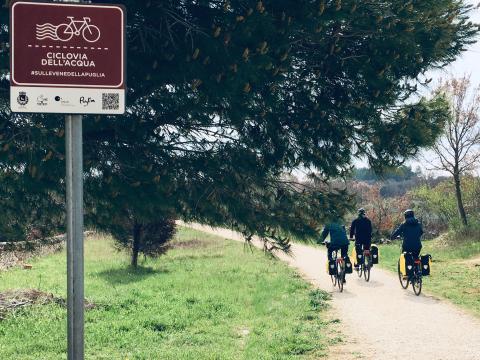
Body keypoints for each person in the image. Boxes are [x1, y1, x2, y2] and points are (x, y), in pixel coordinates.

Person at [319, 214, 350, 282]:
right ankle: (343, 277)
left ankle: (332, 264)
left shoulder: (329, 224)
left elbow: (324, 234)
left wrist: (319, 241)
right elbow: (343, 234)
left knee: (330, 251)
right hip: (345, 243)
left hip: (335, 243)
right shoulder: (342, 224)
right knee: (344, 256)